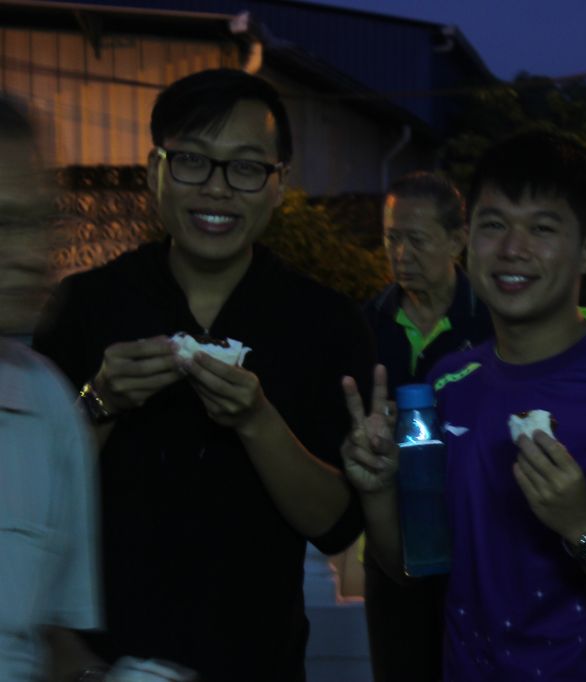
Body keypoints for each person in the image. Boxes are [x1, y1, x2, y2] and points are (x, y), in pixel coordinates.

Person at [33, 69, 373, 682]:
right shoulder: (86, 305)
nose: (216, 189)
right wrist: (99, 400)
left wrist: (257, 421)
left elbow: (335, 526)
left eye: (245, 167)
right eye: (192, 160)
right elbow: (33, 501)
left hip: (259, 662)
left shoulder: (324, 322)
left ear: (279, 184)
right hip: (103, 666)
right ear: (154, 170)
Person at [343, 131, 586, 680]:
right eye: (494, 225)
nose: (513, 249)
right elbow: (416, 566)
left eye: (542, 229)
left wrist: (582, 526)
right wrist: (376, 491)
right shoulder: (450, 384)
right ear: (469, 240)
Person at [360, 171, 491, 682]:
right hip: (392, 540)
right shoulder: (367, 324)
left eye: (416, 239)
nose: (400, 254)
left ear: (458, 240)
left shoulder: (489, 323)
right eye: (391, 238)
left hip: (476, 537)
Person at [0, 93, 108, 682]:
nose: (32, 254)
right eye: (4, 223)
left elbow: (52, 640)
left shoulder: (49, 403)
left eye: (42, 222)